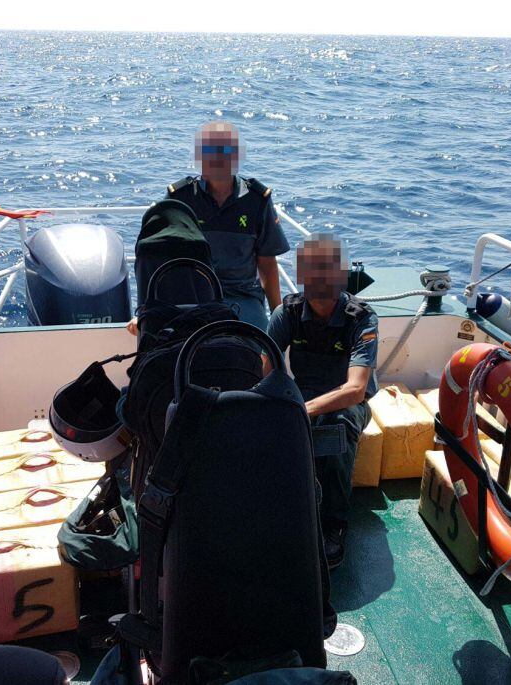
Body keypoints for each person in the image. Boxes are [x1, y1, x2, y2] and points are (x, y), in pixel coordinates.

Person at [265, 232, 379, 570]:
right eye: (312, 269)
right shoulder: (287, 312)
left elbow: (355, 389)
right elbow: (265, 369)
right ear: (301, 274)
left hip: (347, 405)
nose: (320, 277)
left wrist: (301, 411)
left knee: (336, 427)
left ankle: (335, 523)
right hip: (303, 397)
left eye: (329, 269)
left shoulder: (362, 318)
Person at [127, 121, 289, 335]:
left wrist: (277, 314)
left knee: (258, 347)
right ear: (199, 156)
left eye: (225, 150)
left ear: (236, 155)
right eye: (210, 150)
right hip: (191, 295)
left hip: (242, 297)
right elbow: (157, 255)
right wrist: (146, 310)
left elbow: (267, 261)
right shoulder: (180, 197)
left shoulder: (256, 201)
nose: (217, 157)